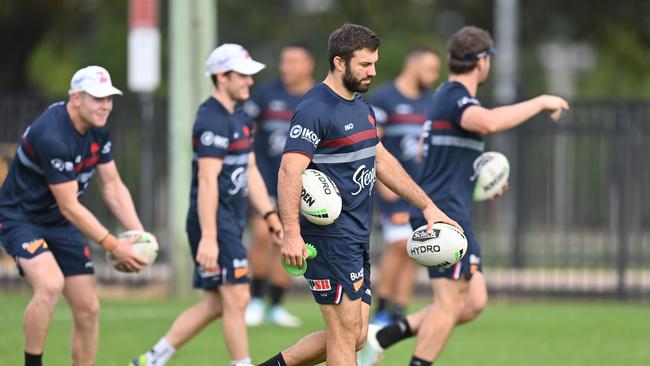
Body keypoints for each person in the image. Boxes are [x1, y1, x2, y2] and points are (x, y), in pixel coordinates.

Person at [358, 26, 570, 366]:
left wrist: (480, 179)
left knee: (473, 301)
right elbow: (486, 123)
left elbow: (437, 154)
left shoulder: (445, 96)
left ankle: (380, 337)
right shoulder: (457, 97)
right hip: (443, 215)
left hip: (450, 209)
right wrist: (541, 102)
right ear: (482, 62)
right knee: (450, 303)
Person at [257, 23, 458, 366]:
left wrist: (427, 205)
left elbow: (380, 158)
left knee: (357, 333)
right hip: (328, 237)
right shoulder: (315, 108)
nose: (373, 72)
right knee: (345, 334)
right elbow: (290, 170)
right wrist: (291, 234)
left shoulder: (360, 105)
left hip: (356, 234)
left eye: (374, 63)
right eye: (365, 64)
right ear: (339, 62)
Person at [130, 44, 283, 366]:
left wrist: (269, 213)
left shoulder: (241, 115)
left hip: (228, 220)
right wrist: (211, 237)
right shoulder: (211, 120)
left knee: (217, 303)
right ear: (221, 76)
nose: (249, 82)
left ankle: (152, 359)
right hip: (213, 222)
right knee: (239, 297)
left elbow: (250, 169)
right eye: (242, 75)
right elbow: (208, 181)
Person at [0, 65, 149, 366]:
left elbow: (112, 185)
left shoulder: (98, 129)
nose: (105, 105)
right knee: (51, 284)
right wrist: (112, 244)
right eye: (98, 98)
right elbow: (69, 205)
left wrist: (137, 234)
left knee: (88, 308)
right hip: (20, 218)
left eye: (109, 98)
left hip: (58, 221)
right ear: (76, 98)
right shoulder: (52, 135)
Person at [243, 43, 315, 328]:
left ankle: (276, 304)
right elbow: (247, 132)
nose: (286, 67)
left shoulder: (316, 97)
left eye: (293, 62)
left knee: (289, 240)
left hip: (301, 184)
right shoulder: (265, 95)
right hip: (266, 178)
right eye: (284, 61)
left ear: (309, 65)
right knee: (262, 236)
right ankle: (256, 299)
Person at [369, 46, 441, 326]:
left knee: (416, 248)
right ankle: (382, 308)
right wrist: (382, 181)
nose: (434, 76)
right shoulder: (385, 97)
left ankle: (399, 309)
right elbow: (374, 142)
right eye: (431, 70)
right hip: (394, 187)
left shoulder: (431, 101)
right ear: (415, 65)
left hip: (420, 190)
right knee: (399, 244)